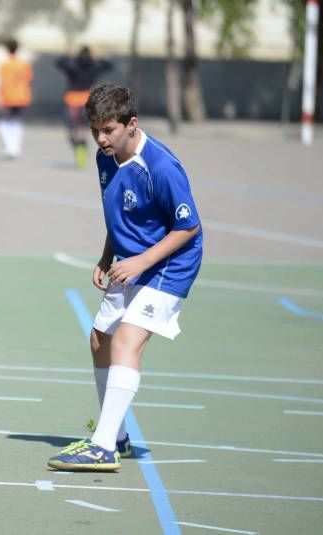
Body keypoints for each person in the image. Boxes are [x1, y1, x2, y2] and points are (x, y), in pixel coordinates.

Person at [47, 84, 202, 471]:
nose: (100, 139)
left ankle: (102, 446)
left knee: (127, 341)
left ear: (131, 124)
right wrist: (106, 256)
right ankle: (116, 437)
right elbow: (121, 214)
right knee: (101, 339)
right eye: (95, 130)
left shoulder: (161, 165)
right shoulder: (107, 157)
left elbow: (188, 227)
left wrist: (139, 263)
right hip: (128, 259)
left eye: (109, 130)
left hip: (169, 263)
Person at [55, 46, 112, 169]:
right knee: (82, 130)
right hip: (87, 102)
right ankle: (82, 150)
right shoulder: (94, 66)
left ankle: (79, 151)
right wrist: (97, 57)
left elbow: (59, 62)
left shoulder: (72, 66)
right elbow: (109, 65)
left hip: (72, 103)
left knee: (71, 132)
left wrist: (70, 55)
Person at [0, 38, 33, 159]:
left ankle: (10, 147)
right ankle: (15, 147)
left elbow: (3, 81)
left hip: (8, 96)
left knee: (3, 122)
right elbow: (28, 78)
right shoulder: (24, 64)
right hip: (22, 96)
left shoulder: (4, 65)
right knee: (16, 121)